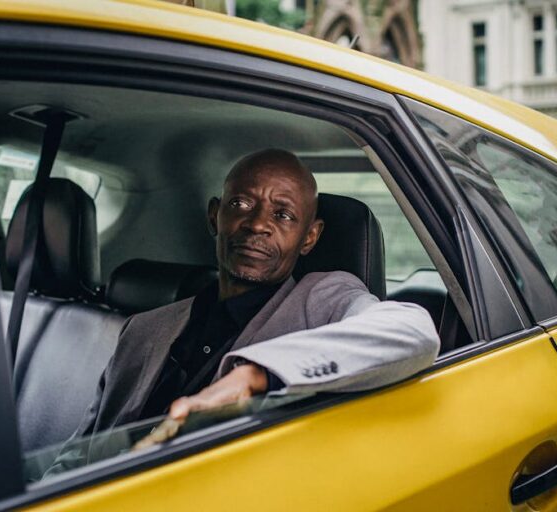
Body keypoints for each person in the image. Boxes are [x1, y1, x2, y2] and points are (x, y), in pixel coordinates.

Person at [72, 148, 440, 440]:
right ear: (215, 216)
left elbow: (412, 330)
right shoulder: (143, 329)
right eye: (241, 204)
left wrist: (258, 374)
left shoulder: (323, 298)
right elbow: (82, 451)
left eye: (283, 215)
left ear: (309, 237)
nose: (258, 224)